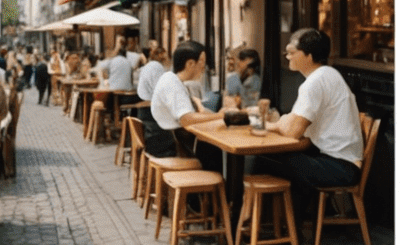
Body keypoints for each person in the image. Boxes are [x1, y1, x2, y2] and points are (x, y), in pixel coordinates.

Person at [246, 28, 365, 225]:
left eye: (292, 52)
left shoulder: (314, 82)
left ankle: (257, 222)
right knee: (282, 161)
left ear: (309, 56)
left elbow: (294, 131)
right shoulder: (327, 75)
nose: (287, 56)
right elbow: (296, 128)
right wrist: (281, 123)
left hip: (340, 167)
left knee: (261, 159)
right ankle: (285, 227)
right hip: (340, 161)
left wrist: (276, 124)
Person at [145, 39, 224, 170]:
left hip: (169, 142)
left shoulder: (173, 80)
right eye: (202, 62)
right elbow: (187, 119)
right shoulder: (172, 84)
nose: (204, 68)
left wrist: (210, 112)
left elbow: (195, 112)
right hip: (171, 149)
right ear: (190, 64)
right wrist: (221, 116)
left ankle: (209, 190)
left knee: (212, 148)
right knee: (213, 150)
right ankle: (211, 189)